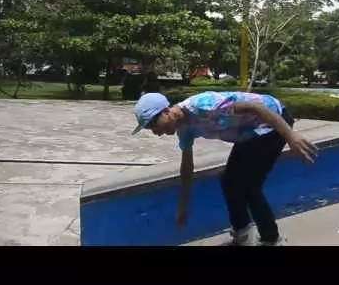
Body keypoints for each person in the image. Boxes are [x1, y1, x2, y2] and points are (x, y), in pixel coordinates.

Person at [131, 90, 318, 246]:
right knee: (229, 182)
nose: (156, 133)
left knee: (249, 186)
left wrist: (291, 136)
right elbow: (187, 167)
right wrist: (183, 207)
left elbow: (257, 108)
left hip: (272, 121)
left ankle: (272, 240)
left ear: (165, 112)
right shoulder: (185, 129)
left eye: (153, 125)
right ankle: (243, 235)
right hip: (250, 133)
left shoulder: (204, 105)